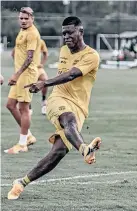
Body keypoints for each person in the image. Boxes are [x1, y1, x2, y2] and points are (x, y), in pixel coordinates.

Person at [7, 16, 102, 200]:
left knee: (58, 151)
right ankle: (84, 149)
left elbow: (72, 74)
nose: (66, 37)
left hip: (80, 107)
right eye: (64, 33)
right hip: (57, 99)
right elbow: (64, 76)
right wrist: (47, 85)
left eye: (70, 32)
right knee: (68, 118)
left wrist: (44, 82)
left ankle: (21, 182)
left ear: (80, 32)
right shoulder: (64, 50)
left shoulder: (92, 56)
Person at [4, 7, 40, 154]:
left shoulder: (32, 33)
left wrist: (16, 74)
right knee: (10, 105)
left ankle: (22, 144)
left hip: (26, 75)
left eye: (27, 18)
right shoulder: (22, 31)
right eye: (21, 18)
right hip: (20, 74)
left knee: (23, 109)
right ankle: (29, 135)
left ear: (32, 19)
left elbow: (30, 58)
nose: (24, 21)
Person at [12, 39, 49, 115]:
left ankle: (43, 100)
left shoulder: (40, 41)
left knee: (45, 80)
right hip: (26, 69)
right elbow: (13, 53)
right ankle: (28, 107)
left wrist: (42, 63)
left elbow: (45, 53)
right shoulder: (21, 41)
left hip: (37, 68)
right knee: (26, 86)